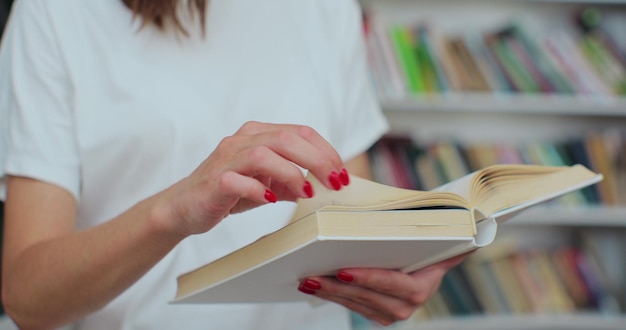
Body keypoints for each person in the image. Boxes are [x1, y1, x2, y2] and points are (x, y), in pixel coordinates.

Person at [0, 0, 467, 329]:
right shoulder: (55, 12)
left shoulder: (326, 7)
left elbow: (348, 213)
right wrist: (174, 211)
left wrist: (394, 272)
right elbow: (28, 300)